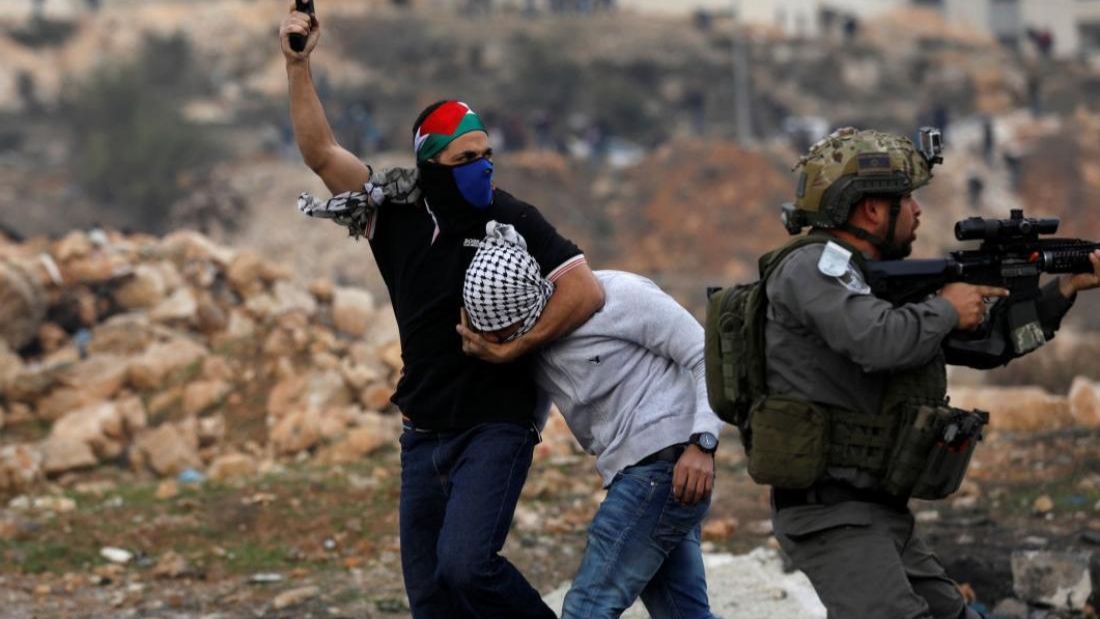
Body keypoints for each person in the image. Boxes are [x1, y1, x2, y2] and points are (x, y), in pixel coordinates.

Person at [279, 4, 605, 618]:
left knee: (468, 568)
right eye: (465, 159)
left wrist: (517, 346)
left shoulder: (512, 215)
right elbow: (321, 153)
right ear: (431, 167)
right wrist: (298, 66)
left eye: (486, 153)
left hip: (496, 425)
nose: (483, 167)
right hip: (423, 431)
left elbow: (583, 289)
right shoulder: (394, 212)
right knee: (431, 598)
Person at [753, 127, 1100, 619]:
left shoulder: (871, 284)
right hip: (829, 513)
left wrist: (1062, 290)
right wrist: (946, 308)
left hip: (878, 508)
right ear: (871, 209)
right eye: (907, 200)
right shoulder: (811, 268)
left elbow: (988, 347)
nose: (918, 211)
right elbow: (877, 341)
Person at [458, 223, 722, 619]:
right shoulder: (532, 348)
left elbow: (707, 356)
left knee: (587, 609)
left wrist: (704, 443)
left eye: (501, 332)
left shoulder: (619, 295)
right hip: (640, 476)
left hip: (663, 468)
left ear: (525, 312)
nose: (496, 342)